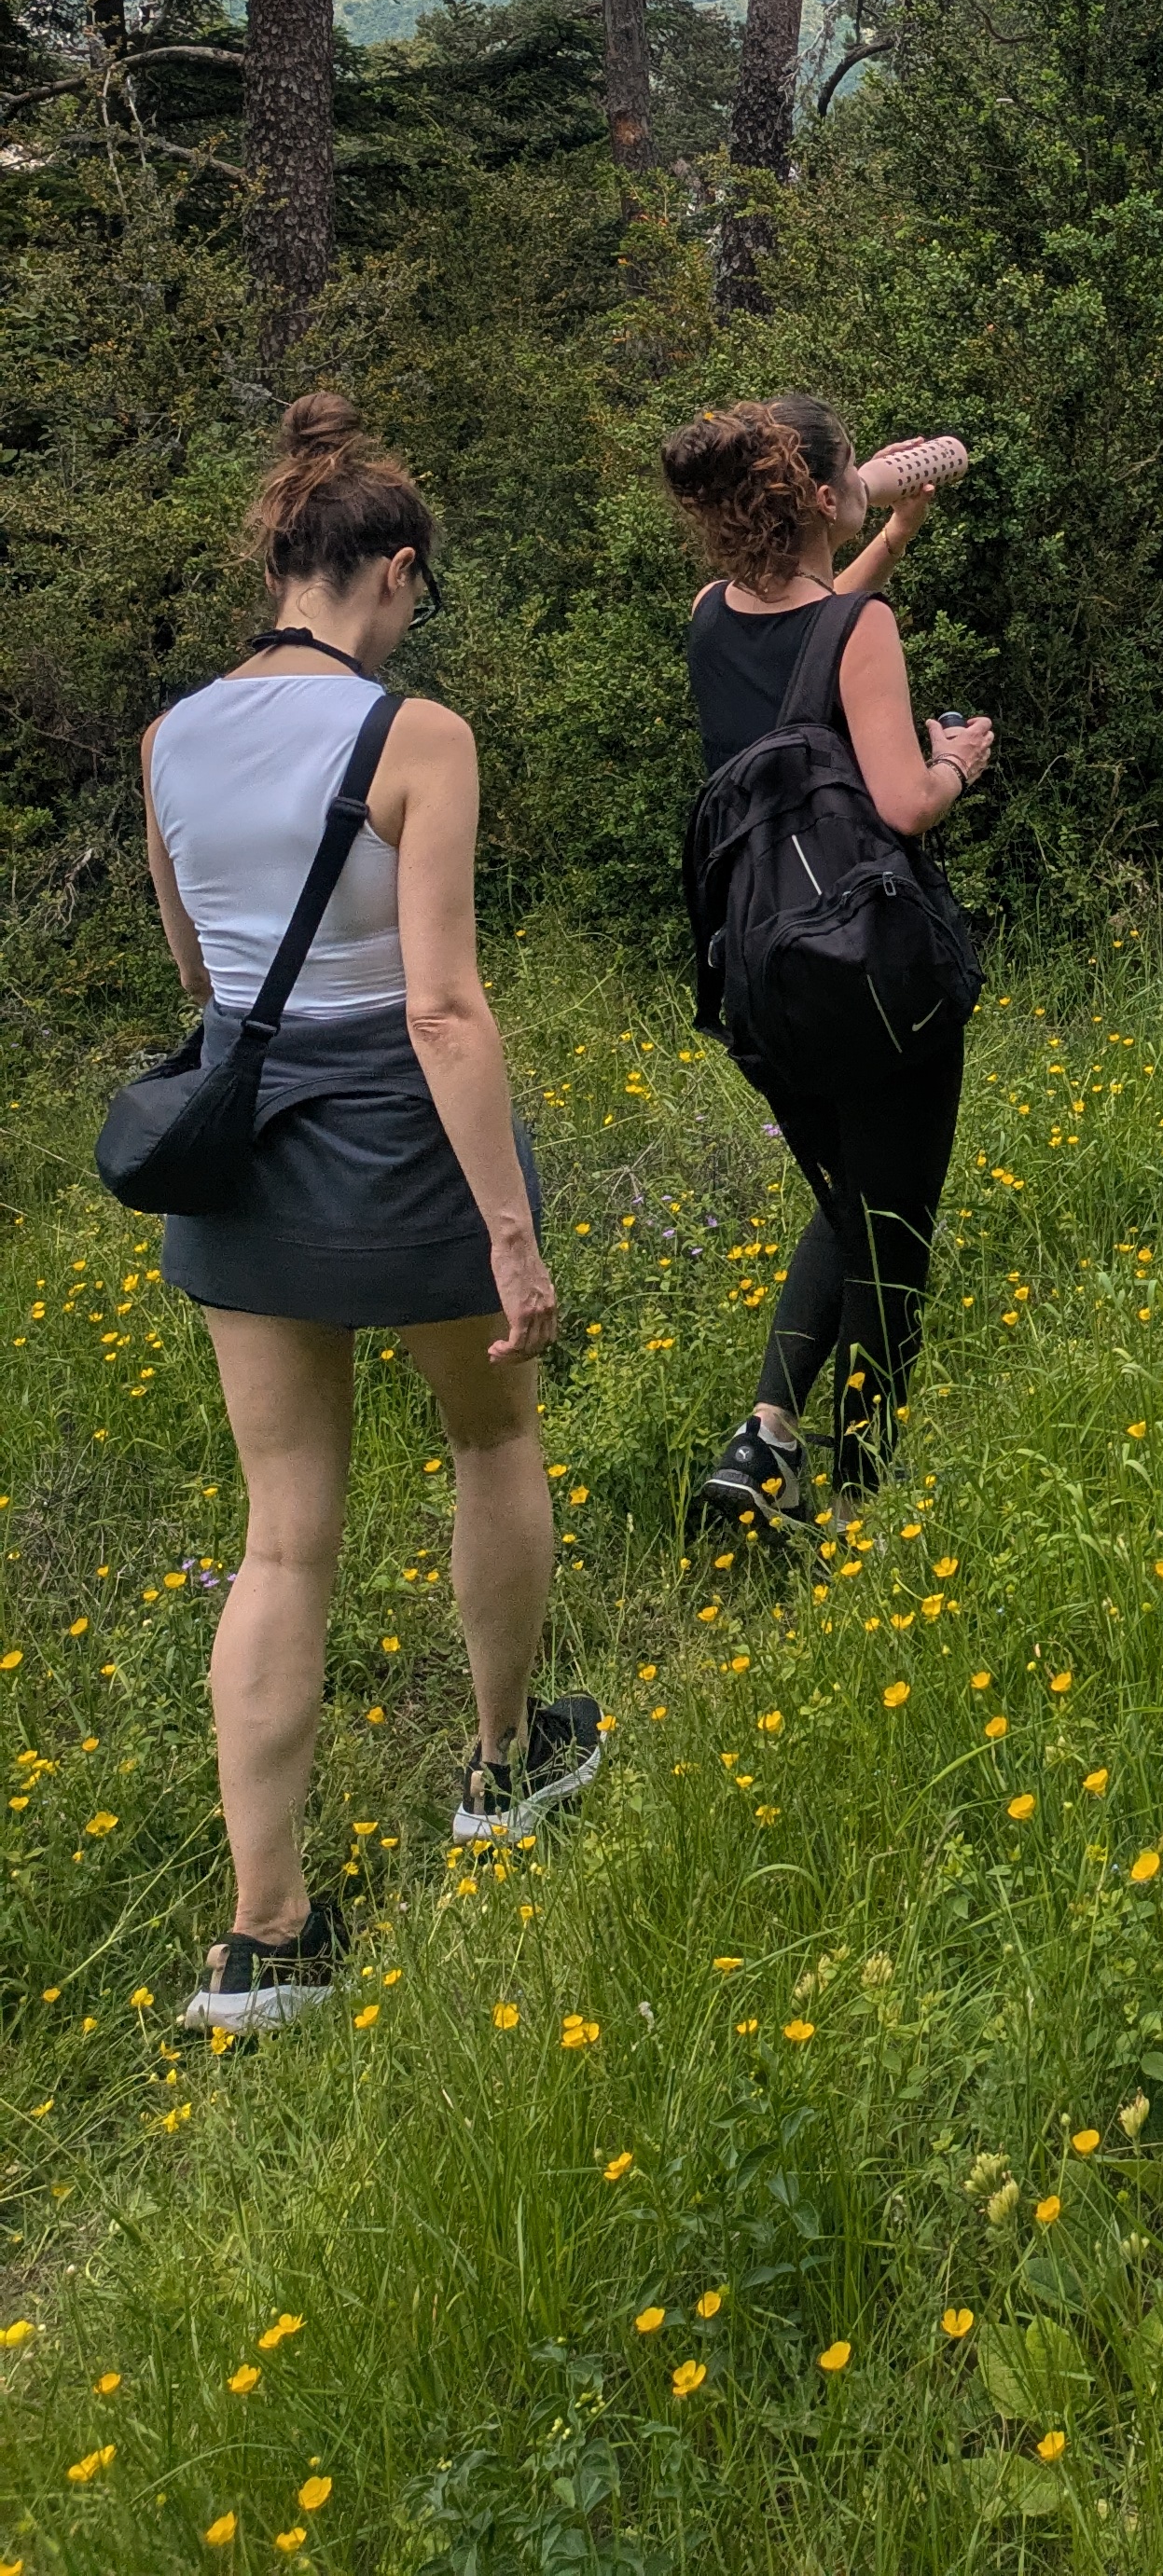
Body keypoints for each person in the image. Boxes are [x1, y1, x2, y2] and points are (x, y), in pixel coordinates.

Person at [141, 395, 587, 2037]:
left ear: (282, 562)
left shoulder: (171, 737)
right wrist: (512, 1233)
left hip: (244, 1141)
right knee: (487, 1437)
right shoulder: (418, 735)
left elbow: (198, 976)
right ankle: (501, 1761)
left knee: (280, 1530)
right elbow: (445, 1007)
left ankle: (266, 1937)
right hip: (396, 1136)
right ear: (392, 571)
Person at [664, 398, 991, 1536]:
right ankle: (857, 1502)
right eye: (851, 465)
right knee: (891, 1238)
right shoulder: (864, 634)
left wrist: (891, 536)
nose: (868, 472)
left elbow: (800, 650)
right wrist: (955, 761)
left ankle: (764, 1438)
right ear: (816, 495)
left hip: (764, 973)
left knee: (850, 1197)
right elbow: (902, 802)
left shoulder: (710, 617)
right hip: (872, 969)